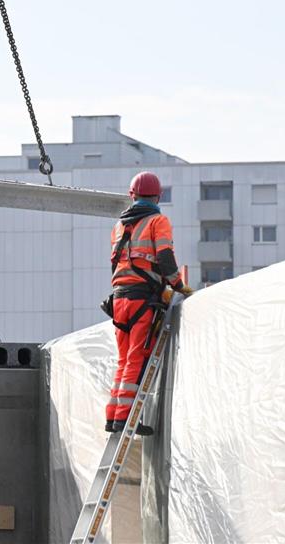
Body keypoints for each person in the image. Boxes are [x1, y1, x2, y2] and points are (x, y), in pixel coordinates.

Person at [105, 171, 193, 435]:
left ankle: (112, 417)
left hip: (120, 298)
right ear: (159, 196)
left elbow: (115, 263)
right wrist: (178, 286)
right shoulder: (158, 221)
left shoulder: (119, 226)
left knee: (123, 360)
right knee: (136, 358)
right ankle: (124, 420)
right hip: (141, 298)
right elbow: (165, 257)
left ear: (132, 195)